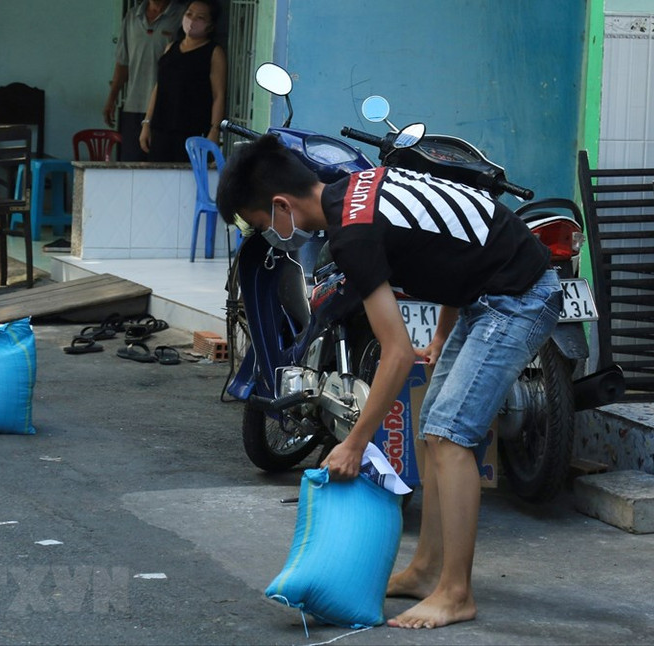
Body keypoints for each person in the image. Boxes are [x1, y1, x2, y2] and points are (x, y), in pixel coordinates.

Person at [215, 134, 562, 629]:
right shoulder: (356, 189)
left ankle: (456, 593)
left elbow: (396, 354)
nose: (270, 235)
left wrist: (354, 444)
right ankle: (425, 570)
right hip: (488, 293)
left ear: (282, 206)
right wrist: (442, 335)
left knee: (450, 435)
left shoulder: (351, 235)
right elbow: (453, 249)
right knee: (433, 432)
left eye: (262, 224)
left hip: (518, 298)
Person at [139, 0, 226, 162]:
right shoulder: (171, 47)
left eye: (200, 17)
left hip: (192, 131)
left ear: (210, 25)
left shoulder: (214, 52)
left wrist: (214, 130)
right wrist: (147, 123)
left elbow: (218, 95)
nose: (192, 20)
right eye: (189, 14)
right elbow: (159, 88)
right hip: (161, 128)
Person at [103, 0, 185, 162]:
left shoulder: (181, 15)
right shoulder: (133, 16)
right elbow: (123, 62)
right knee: (131, 165)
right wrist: (112, 98)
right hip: (134, 105)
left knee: (161, 166)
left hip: (166, 108)